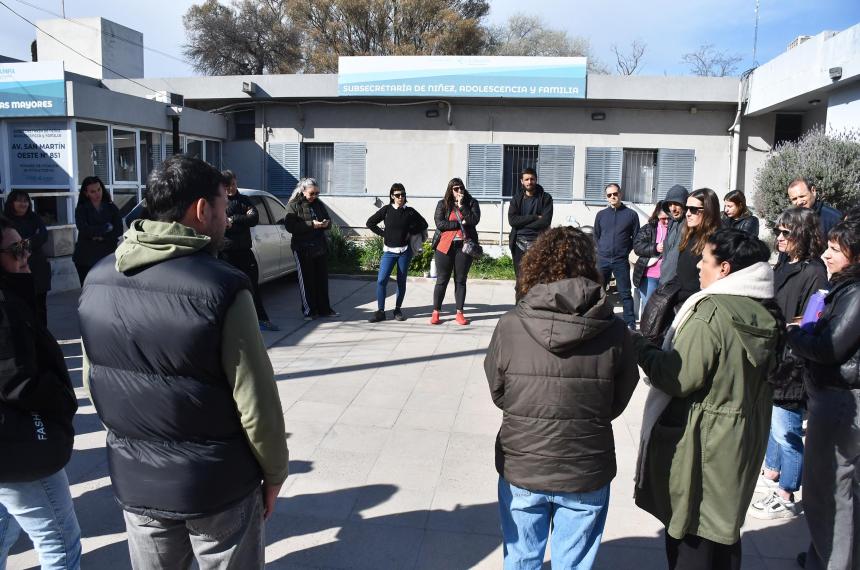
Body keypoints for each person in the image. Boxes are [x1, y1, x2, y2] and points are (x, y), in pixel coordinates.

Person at [78, 155, 288, 569]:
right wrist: (275, 472)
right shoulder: (223, 287)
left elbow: (93, 384)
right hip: (217, 486)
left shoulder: (97, 279)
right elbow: (256, 400)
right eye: (224, 207)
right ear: (202, 209)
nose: (227, 218)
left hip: (138, 482)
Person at [485, 226, 639, 569]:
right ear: (589, 266)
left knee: (521, 558)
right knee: (573, 563)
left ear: (535, 265)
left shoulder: (510, 324)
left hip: (524, 462)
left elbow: (499, 391)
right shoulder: (614, 330)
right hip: (585, 464)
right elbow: (619, 396)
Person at [634, 228, 782, 570]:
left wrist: (641, 348)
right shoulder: (763, 308)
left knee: (691, 531)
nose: (699, 266)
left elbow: (678, 377)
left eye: (705, 260)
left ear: (725, 268)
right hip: (742, 438)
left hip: (702, 442)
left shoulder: (711, 312)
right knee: (723, 532)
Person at [0, 215, 81, 570]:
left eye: (26, 246)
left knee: (4, 529)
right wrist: (62, 400)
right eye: (16, 249)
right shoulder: (5, 307)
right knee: (61, 542)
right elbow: (17, 382)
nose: (25, 255)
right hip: (19, 444)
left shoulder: (13, 297)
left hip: (12, 445)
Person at [786, 219, 860, 570]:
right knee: (840, 490)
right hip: (836, 398)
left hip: (839, 402)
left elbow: (829, 348)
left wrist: (795, 335)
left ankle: (831, 561)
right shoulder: (843, 287)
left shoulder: (855, 292)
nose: (826, 255)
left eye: (835, 250)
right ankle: (827, 556)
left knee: (827, 492)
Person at [750, 207, 827, 521]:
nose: (779, 238)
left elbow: (810, 321)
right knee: (774, 424)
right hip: (774, 355)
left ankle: (787, 494)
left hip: (793, 362)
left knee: (787, 432)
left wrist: (788, 338)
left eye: (786, 233)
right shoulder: (782, 264)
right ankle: (772, 474)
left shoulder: (814, 272)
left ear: (803, 235)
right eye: (778, 232)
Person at [219, 170, 278, 331]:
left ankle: (262, 320)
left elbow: (253, 218)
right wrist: (237, 221)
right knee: (228, 289)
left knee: (252, 286)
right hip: (226, 253)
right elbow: (221, 224)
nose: (231, 188)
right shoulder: (220, 203)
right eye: (227, 186)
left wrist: (234, 219)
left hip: (245, 251)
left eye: (233, 184)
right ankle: (228, 324)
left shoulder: (244, 200)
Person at [366, 183, 428, 323]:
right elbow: (370, 223)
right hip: (389, 252)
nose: (401, 197)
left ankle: (397, 310)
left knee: (401, 281)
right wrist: (384, 234)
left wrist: (410, 231)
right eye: (398, 195)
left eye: (403, 195)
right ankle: (381, 311)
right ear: (392, 196)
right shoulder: (387, 210)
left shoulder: (410, 211)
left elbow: (424, 224)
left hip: (404, 252)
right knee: (381, 280)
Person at [285, 177, 338, 321]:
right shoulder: (293, 205)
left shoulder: (318, 204)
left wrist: (325, 223)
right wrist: (311, 224)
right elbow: (290, 227)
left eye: (317, 193)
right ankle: (309, 311)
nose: (314, 196)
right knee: (307, 280)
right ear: (303, 191)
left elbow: (328, 220)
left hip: (319, 246)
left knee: (321, 279)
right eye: (312, 193)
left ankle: (324, 309)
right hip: (302, 247)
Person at [430, 178, 481, 326]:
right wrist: (459, 223)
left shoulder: (471, 203)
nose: (459, 191)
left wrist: (462, 206)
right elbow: (440, 223)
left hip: (464, 247)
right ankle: (436, 312)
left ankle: (459, 313)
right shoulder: (442, 204)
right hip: (444, 247)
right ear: (450, 190)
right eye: (456, 188)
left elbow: (474, 220)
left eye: (461, 188)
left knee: (460, 280)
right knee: (442, 280)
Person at [594, 183, 640, 329]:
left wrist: (625, 251)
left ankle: (630, 323)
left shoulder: (631, 215)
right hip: (603, 259)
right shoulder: (601, 215)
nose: (613, 197)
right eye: (609, 195)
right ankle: (597, 320)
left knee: (625, 293)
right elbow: (596, 235)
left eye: (615, 194)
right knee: (599, 292)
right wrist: (602, 250)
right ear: (606, 197)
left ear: (620, 194)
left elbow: (636, 237)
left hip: (621, 260)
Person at [3, 190, 51, 325]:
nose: (23, 204)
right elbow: (11, 246)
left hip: (38, 268)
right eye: (19, 200)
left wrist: (23, 243)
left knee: (40, 307)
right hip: (16, 271)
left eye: (26, 201)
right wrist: (30, 240)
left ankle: (42, 334)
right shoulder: (5, 221)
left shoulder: (34, 218)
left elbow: (43, 236)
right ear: (11, 202)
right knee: (21, 309)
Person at [674, 188, 722, 305]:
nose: (687, 213)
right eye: (686, 208)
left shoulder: (717, 239)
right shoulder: (689, 234)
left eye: (693, 209)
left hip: (698, 304)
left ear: (708, 210)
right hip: (680, 301)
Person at [72, 176, 122, 286]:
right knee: (88, 289)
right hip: (86, 258)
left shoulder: (112, 208)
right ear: (86, 193)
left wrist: (99, 236)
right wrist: (106, 228)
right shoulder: (81, 209)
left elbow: (118, 231)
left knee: (107, 289)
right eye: (93, 191)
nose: (97, 194)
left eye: (99, 189)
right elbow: (84, 229)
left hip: (107, 257)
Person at [507, 168, 553, 286]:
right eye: (526, 179)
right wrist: (534, 217)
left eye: (532, 179)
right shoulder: (517, 199)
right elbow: (512, 221)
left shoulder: (546, 198)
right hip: (519, 244)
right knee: (520, 279)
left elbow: (545, 222)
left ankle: (534, 299)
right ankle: (520, 298)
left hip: (539, 243)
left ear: (536, 180)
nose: (529, 182)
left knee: (537, 279)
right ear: (521, 181)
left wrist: (521, 223)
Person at [632, 202, 669, 315]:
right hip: (649, 276)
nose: (667, 221)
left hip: (667, 276)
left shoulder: (676, 229)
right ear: (657, 215)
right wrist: (655, 248)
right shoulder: (648, 228)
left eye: (669, 218)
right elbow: (637, 247)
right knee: (648, 307)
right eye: (663, 219)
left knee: (663, 309)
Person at [657, 184, 689, 286]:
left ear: (685, 204)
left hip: (678, 284)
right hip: (664, 281)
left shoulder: (690, 225)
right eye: (670, 204)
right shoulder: (672, 223)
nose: (672, 208)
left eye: (676, 204)